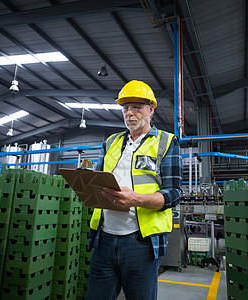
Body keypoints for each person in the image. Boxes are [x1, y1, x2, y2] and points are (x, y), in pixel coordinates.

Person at [85, 80, 183, 300]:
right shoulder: (109, 143)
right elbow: (97, 183)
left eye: (136, 107)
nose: (129, 112)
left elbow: (174, 193)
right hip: (104, 239)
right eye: (125, 107)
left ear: (151, 109)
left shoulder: (166, 142)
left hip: (141, 243)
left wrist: (136, 199)